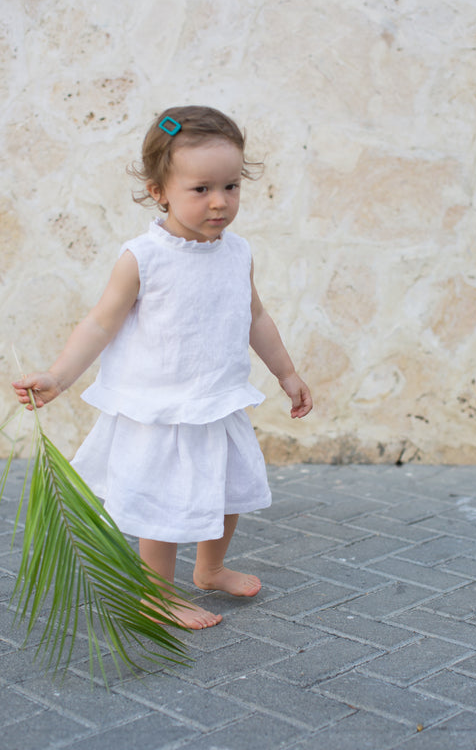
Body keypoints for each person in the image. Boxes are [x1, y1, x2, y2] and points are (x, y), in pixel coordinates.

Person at [13, 106, 312, 630]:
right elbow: (100, 324)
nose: (220, 202)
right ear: (159, 192)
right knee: (165, 507)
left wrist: (286, 373)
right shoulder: (143, 257)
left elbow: (255, 316)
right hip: (162, 409)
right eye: (202, 189)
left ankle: (210, 568)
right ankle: (155, 593)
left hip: (218, 399)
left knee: (227, 490)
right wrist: (59, 377)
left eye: (231, 186)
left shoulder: (235, 253)